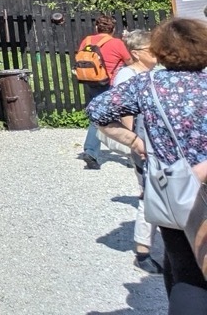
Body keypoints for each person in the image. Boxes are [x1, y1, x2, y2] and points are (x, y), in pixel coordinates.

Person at [87, 18, 207, 296]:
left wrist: (134, 140)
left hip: (174, 186)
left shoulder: (147, 84)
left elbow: (97, 111)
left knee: (184, 271)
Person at [97, 28, 162, 274]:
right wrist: (133, 142)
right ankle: (143, 252)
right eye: (151, 49)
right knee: (149, 194)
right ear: (136, 53)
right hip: (143, 143)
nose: (156, 53)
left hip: (154, 143)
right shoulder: (128, 75)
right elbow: (123, 112)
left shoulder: (152, 72)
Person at [79, 15, 133, 170]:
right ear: (113, 29)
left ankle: (91, 151)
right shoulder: (116, 43)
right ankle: (131, 154)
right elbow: (130, 61)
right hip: (109, 84)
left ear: (96, 28)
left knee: (97, 116)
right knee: (122, 117)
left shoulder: (87, 40)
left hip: (91, 82)